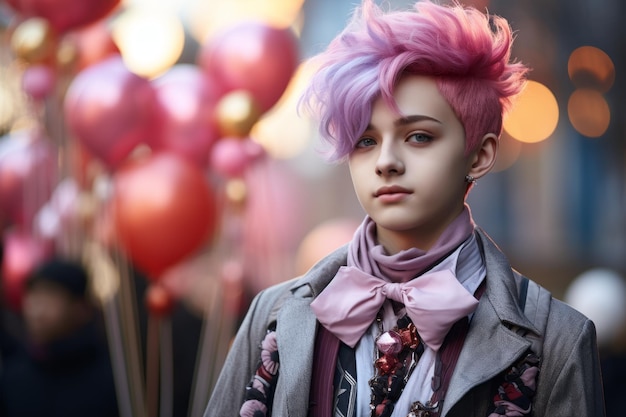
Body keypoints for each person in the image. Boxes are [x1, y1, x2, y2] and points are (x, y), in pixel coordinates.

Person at [203, 1, 605, 416]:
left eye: (418, 137)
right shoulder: (273, 314)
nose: (386, 162)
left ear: (480, 154)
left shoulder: (557, 337)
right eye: (365, 140)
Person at [0, 257, 119, 417]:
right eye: (33, 298)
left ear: (80, 309)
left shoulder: (112, 379)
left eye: (49, 299)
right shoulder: (13, 376)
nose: (37, 311)